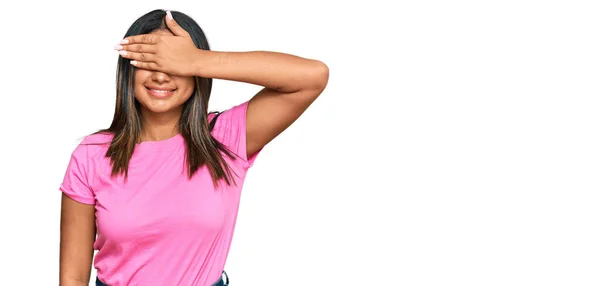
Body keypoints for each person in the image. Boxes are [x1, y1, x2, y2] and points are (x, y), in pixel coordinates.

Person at [58, 9, 328, 286]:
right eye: (149, 62)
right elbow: (72, 278)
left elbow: (312, 77)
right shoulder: (91, 154)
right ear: (128, 68)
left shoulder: (225, 139)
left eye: (174, 65)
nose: (161, 77)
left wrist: (197, 60)